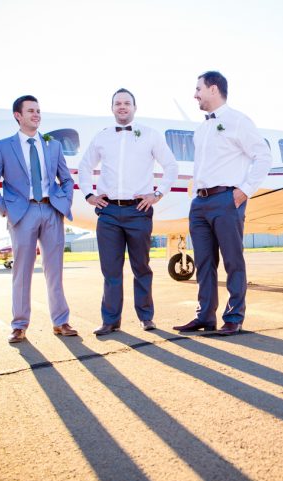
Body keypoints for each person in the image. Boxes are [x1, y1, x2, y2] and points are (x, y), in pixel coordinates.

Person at [173, 71, 272, 336]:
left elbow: (263, 157)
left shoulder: (238, 121)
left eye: (198, 89)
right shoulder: (201, 129)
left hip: (226, 200)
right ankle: (205, 316)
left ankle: (234, 317)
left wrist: (244, 191)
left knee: (232, 261)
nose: (195, 95)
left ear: (213, 89)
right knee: (204, 263)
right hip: (200, 203)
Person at [77, 88, 178, 335]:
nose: (122, 107)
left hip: (138, 211)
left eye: (126, 103)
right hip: (109, 212)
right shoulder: (102, 137)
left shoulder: (150, 135)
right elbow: (85, 166)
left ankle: (146, 317)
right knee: (111, 270)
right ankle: (110, 320)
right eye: (118, 103)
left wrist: (157, 194)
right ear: (112, 108)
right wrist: (89, 194)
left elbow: (171, 166)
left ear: (134, 107)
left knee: (141, 267)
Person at [0, 95, 78, 342]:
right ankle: (19, 325)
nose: (36, 115)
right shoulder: (3, 147)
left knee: (54, 270)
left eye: (38, 110)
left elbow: (66, 179)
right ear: (18, 116)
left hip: (51, 210)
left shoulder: (53, 146)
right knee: (22, 271)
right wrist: (4, 208)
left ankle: (61, 322)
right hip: (22, 213)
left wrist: (64, 202)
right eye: (31, 111)